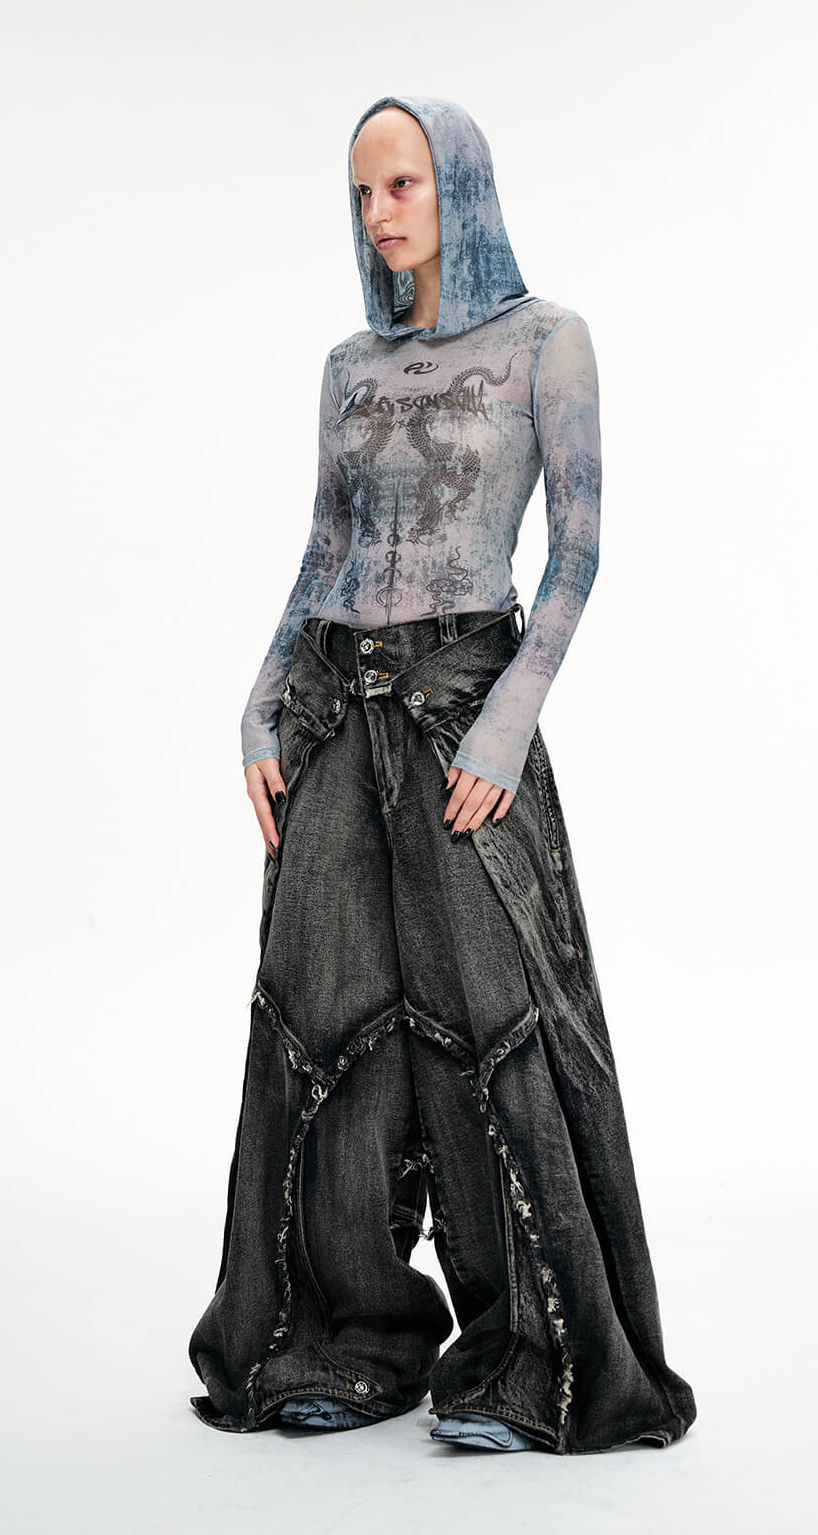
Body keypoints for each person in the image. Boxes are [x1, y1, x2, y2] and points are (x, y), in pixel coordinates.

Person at [186, 93, 697, 1456]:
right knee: (319, 1012)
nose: (379, 214)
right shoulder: (348, 365)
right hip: (331, 710)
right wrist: (258, 708)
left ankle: (542, 1361)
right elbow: (322, 551)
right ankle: (338, 1340)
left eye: (402, 184)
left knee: (501, 1018)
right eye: (362, 192)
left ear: (459, 185)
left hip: (465, 701)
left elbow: (577, 552)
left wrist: (508, 721)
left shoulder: (546, 341)